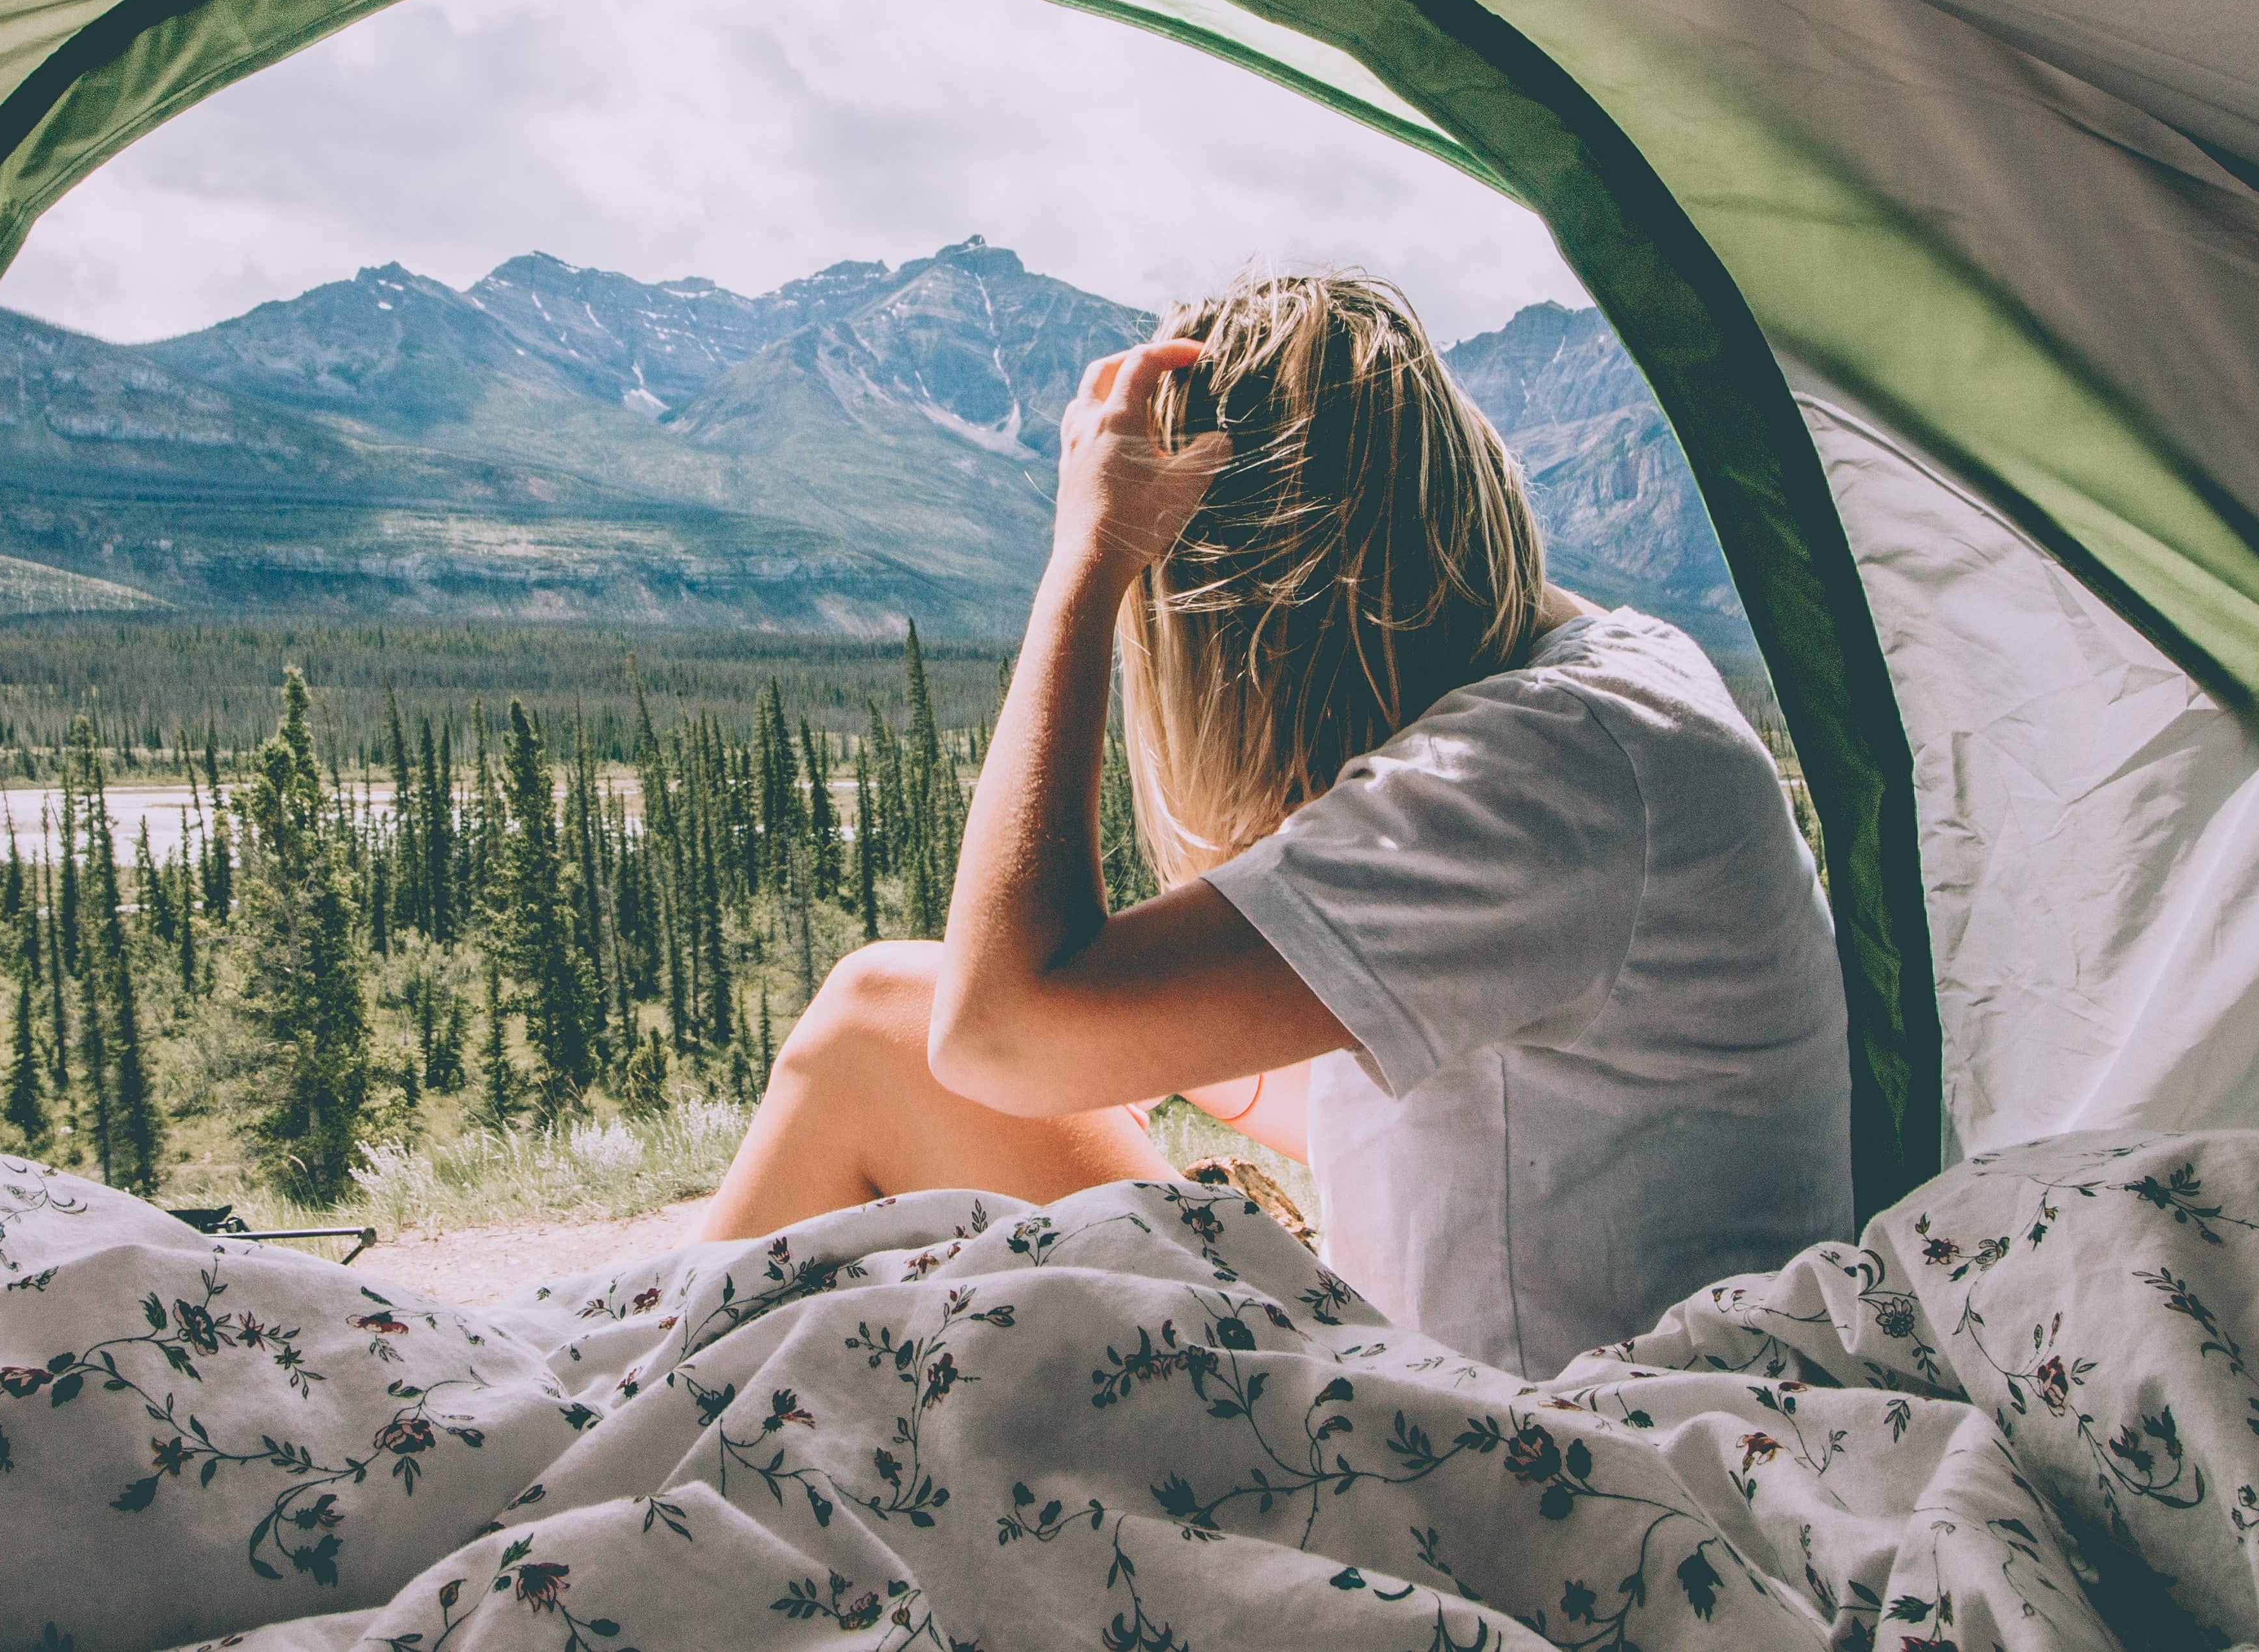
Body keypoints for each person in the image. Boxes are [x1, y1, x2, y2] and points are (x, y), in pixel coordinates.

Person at [696, 272, 1850, 1379]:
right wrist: (1170, 1053)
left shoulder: (1538, 776)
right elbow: (1502, 1113)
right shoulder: (1609, 691)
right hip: (1568, 1394)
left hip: (1530, 1465)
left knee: (875, 1030)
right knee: (914, 1027)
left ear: (1272, 619)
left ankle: (615, 1434)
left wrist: (1088, 563)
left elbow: (995, 1027)